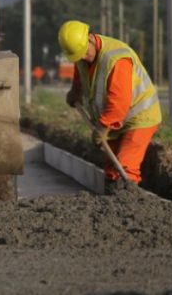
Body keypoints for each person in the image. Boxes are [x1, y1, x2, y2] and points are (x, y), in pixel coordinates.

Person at [58, 20, 162, 191]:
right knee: (112, 169)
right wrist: (75, 92)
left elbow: (119, 103)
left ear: (90, 39)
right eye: (77, 57)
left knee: (125, 167)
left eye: (84, 53)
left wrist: (102, 128)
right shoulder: (82, 58)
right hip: (113, 119)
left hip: (139, 117)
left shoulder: (116, 59)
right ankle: (112, 200)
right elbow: (80, 78)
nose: (82, 58)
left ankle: (128, 201)